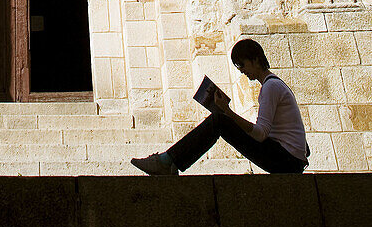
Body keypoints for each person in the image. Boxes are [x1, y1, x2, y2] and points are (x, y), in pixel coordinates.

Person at [131, 39, 309, 175]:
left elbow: (260, 133)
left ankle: (165, 161)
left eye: (242, 64)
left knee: (219, 121)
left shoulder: (271, 87)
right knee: (221, 120)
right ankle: (168, 162)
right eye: (238, 67)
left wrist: (227, 112)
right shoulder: (273, 86)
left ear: (255, 60)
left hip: (286, 160)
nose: (241, 71)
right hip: (287, 158)